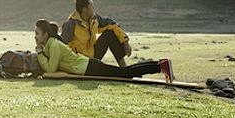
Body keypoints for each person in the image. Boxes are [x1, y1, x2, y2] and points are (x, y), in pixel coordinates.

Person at [35, 19, 175, 82]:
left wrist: (40, 53)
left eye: (37, 33)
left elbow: (51, 69)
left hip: (89, 67)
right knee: (125, 73)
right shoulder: (50, 45)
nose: (35, 36)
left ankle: (161, 66)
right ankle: (160, 65)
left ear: (45, 35)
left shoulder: (53, 45)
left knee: (125, 73)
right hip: (88, 65)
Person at [61, 0, 131, 67]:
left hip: (93, 56)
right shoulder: (70, 24)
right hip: (79, 62)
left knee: (109, 34)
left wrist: (125, 42)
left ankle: (124, 68)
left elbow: (112, 24)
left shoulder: (94, 19)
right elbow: (61, 47)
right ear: (84, 9)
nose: (93, 7)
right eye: (91, 5)